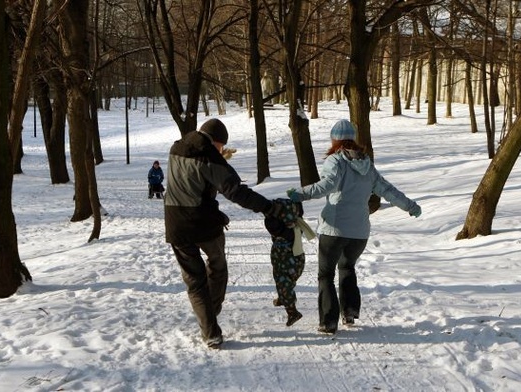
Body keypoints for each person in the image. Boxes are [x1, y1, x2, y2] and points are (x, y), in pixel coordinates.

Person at [287, 119, 421, 335]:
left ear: (335, 140)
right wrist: (410, 206)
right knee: (347, 267)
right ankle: (349, 312)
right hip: (359, 233)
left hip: (335, 229)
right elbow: (387, 189)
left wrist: (299, 194)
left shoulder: (335, 161)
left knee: (325, 274)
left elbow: (327, 185)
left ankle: (328, 322)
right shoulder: (367, 164)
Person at [164, 118, 282, 349]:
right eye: (221, 146)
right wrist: (268, 208)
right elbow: (235, 191)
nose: (222, 150)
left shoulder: (176, 147)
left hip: (176, 224)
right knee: (218, 268)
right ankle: (212, 312)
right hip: (204, 224)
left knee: (195, 281)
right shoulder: (209, 156)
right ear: (217, 142)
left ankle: (210, 331)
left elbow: (191, 179)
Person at [264, 198, 316, 327]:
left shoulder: (281, 229)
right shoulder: (298, 225)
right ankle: (283, 297)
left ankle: (292, 312)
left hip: (282, 257)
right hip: (297, 258)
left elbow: (270, 223)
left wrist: (269, 210)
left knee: (283, 282)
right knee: (288, 280)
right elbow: (299, 211)